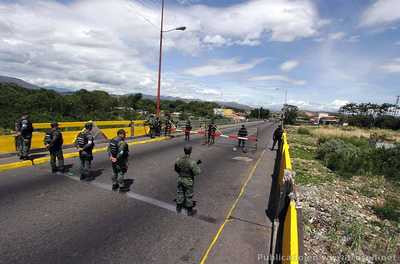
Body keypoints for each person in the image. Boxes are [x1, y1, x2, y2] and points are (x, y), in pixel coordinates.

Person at [174, 145, 201, 216]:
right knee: (188, 195)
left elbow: (176, 168)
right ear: (191, 151)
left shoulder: (179, 159)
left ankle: (178, 208)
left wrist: (181, 173)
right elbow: (197, 172)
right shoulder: (192, 162)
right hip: (188, 180)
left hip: (180, 178)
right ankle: (189, 211)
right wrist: (196, 165)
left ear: (184, 151)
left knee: (180, 192)